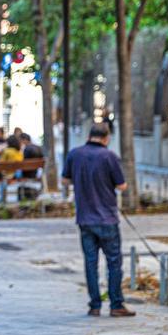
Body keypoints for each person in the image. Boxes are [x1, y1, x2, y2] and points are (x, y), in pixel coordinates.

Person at [61, 123, 135, 317]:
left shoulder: (74, 154)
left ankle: (94, 305)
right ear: (106, 137)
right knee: (113, 263)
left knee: (90, 263)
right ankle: (116, 304)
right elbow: (122, 185)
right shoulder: (109, 156)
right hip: (107, 218)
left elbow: (65, 180)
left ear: (89, 135)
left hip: (84, 218)